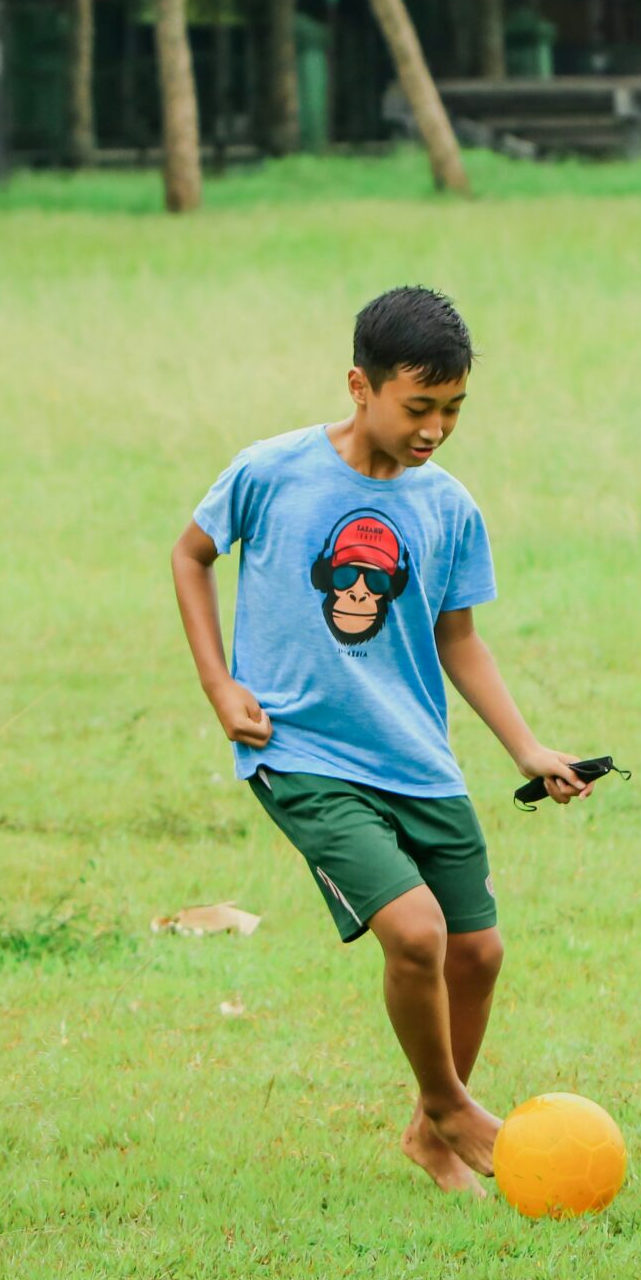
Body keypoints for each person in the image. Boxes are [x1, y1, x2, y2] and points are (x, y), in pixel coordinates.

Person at [172, 287, 591, 1196]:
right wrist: (219, 683)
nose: (437, 428)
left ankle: (430, 1133)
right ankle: (449, 1105)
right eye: (419, 407)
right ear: (360, 386)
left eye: (454, 410)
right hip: (301, 752)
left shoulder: (448, 507)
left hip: (416, 758)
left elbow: (458, 640)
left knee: (478, 952)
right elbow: (191, 555)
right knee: (415, 932)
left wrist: (526, 748)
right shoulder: (271, 470)